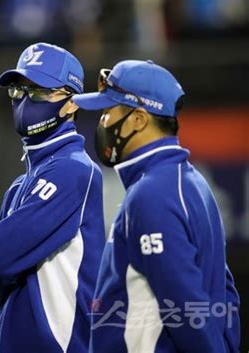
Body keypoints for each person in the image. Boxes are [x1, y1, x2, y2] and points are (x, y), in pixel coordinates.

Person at [71, 59, 240, 353]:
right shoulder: (187, 182)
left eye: (108, 111)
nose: (103, 122)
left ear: (138, 120)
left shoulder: (153, 193)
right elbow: (225, 294)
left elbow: (184, 303)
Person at [0, 42, 105, 353]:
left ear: (71, 103)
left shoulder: (74, 170)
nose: (24, 100)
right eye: (18, 90)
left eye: (39, 91)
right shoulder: (20, 187)